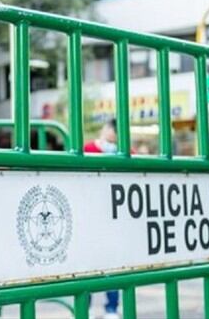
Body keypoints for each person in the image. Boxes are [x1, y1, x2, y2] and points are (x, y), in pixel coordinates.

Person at [83, 119, 120, 319]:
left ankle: (111, 308)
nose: (112, 134)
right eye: (111, 129)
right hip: (90, 213)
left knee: (113, 263)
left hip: (113, 215)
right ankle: (85, 306)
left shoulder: (123, 150)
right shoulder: (88, 147)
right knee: (87, 264)